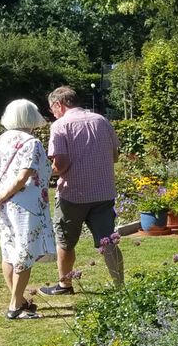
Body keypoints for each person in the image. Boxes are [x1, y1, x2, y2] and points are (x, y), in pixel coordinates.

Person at [39, 86, 123, 296]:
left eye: (52, 109)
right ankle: (120, 287)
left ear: (59, 104)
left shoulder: (60, 126)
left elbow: (62, 163)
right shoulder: (101, 121)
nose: (53, 113)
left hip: (73, 194)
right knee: (109, 242)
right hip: (103, 193)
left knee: (65, 241)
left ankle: (65, 285)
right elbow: (115, 156)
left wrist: (45, 174)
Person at [0, 100, 55, 319]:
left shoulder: (1, 140)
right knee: (24, 253)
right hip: (25, 205)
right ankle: (15, 306)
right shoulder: (31, 142)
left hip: (2, 204)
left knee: (9, 251)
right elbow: (22, 176)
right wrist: (7, 195)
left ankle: (20, 300)